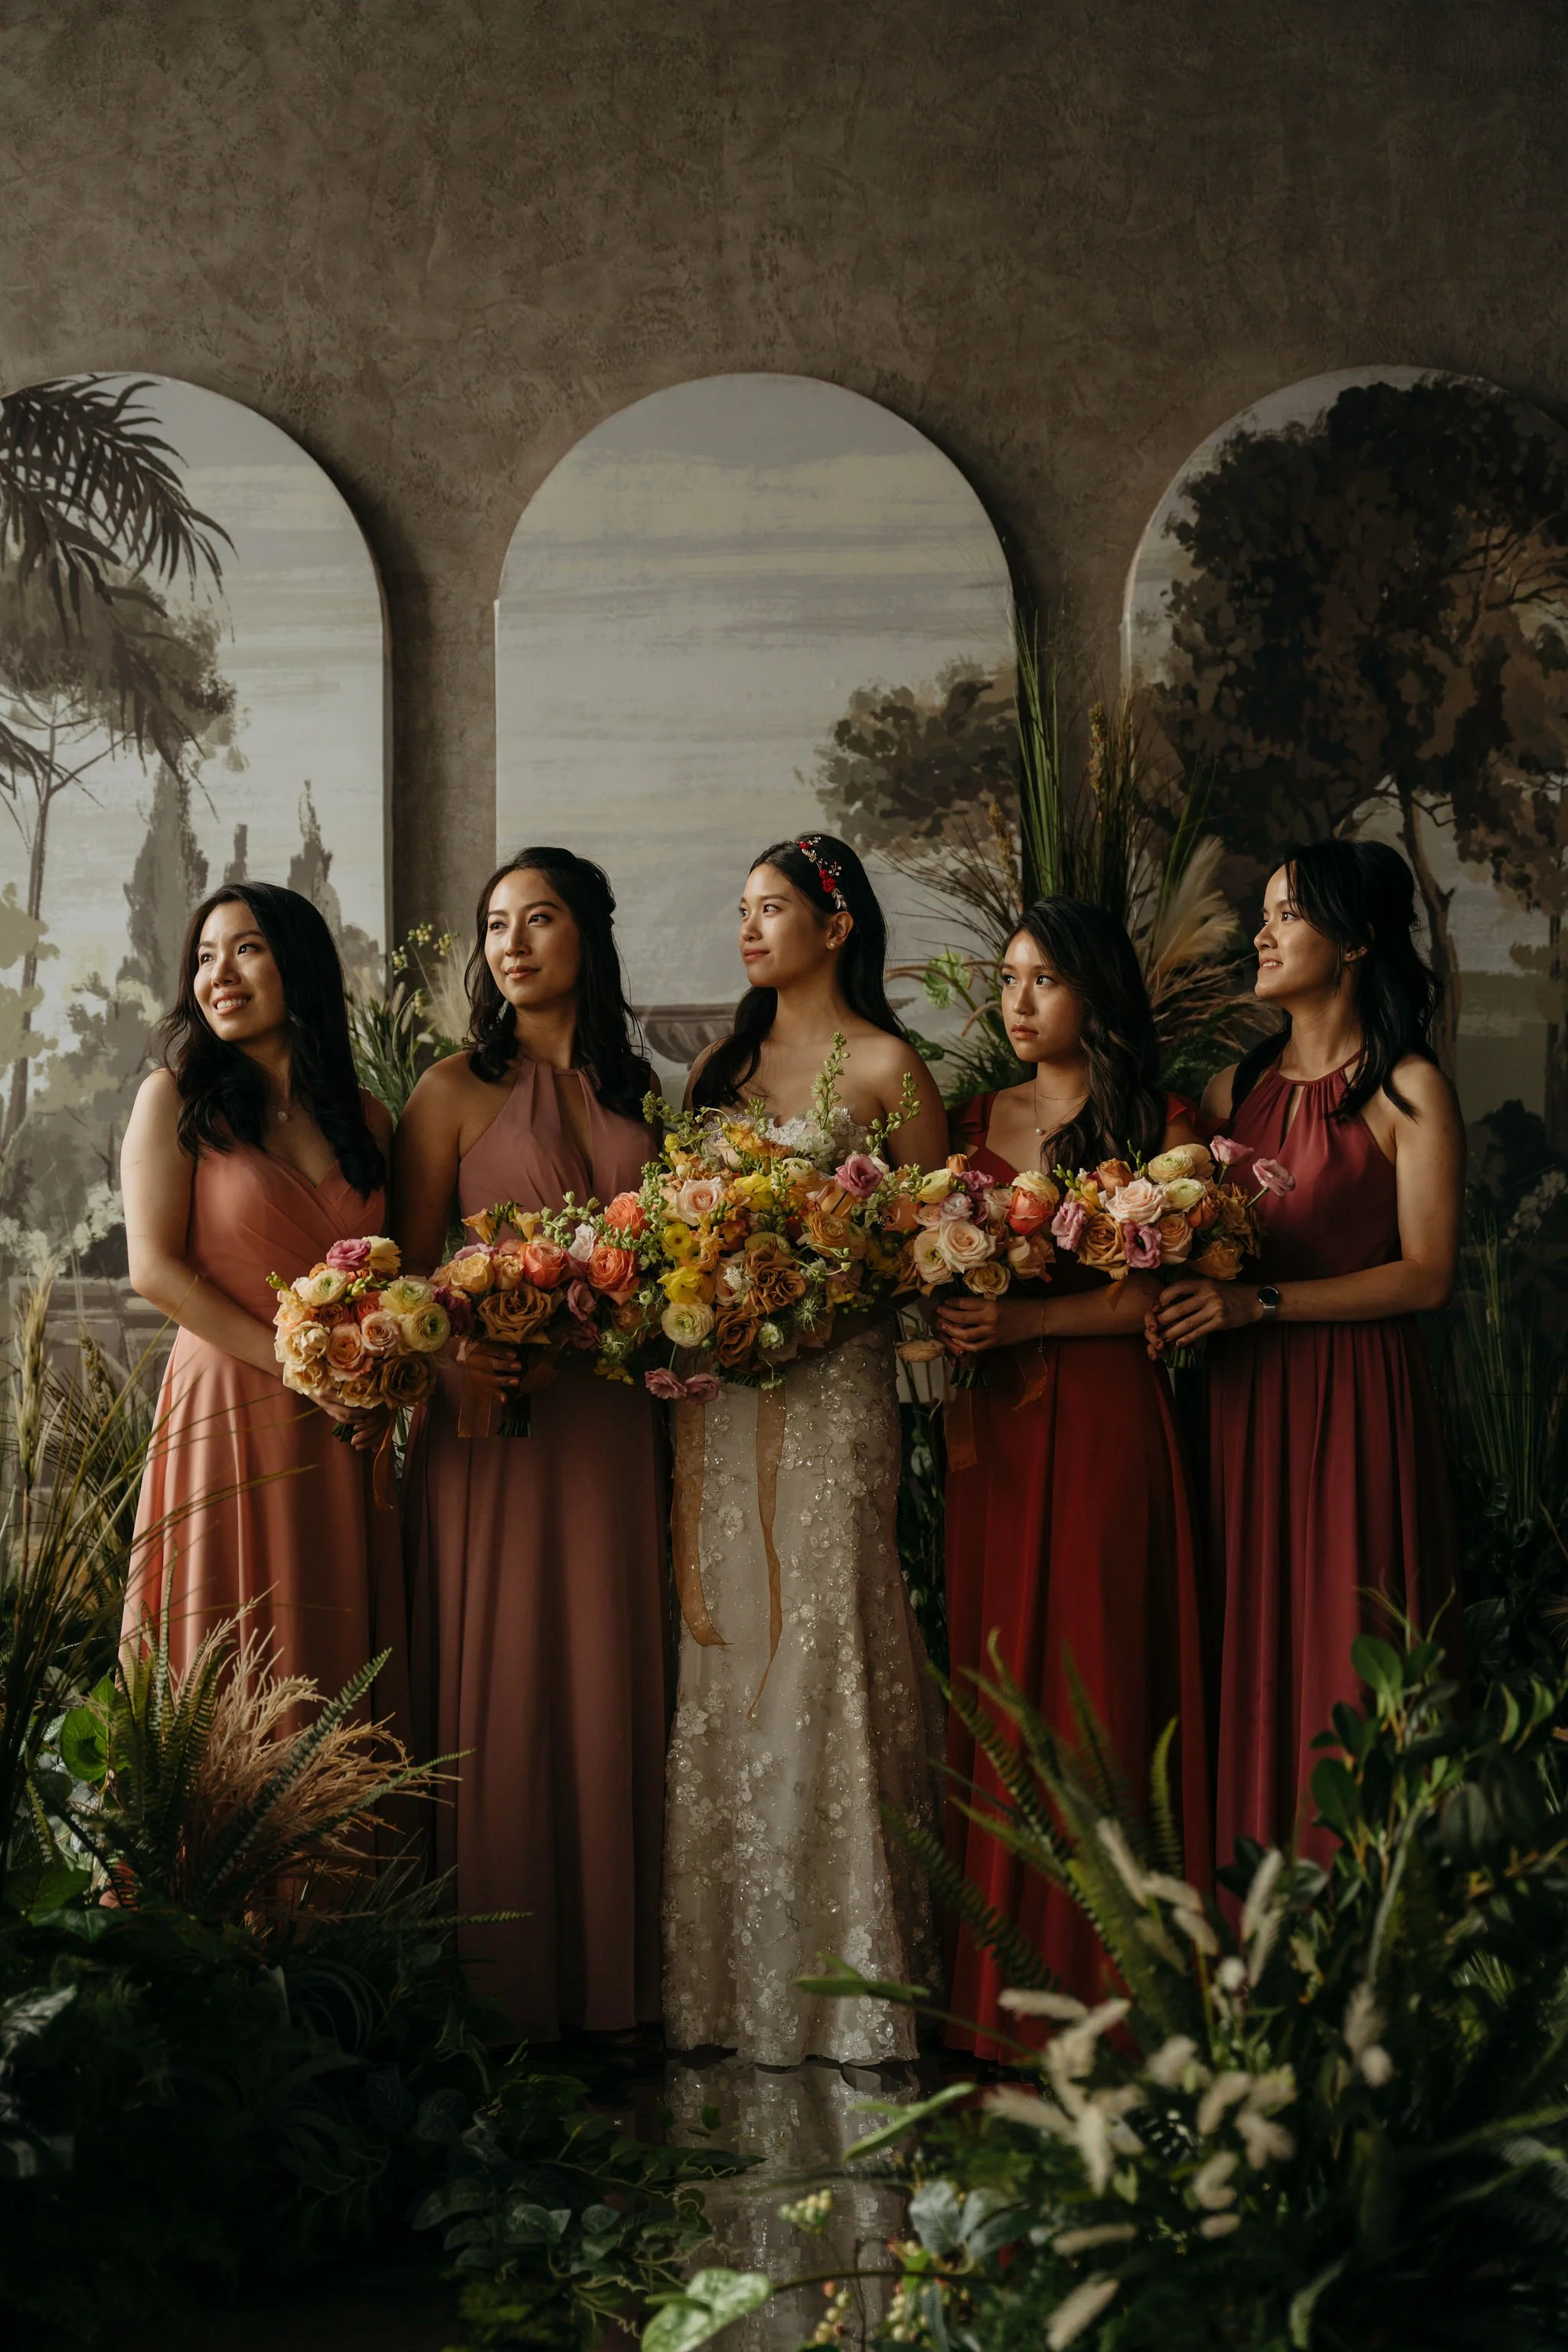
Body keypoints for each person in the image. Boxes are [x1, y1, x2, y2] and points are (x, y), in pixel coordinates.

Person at [662, 833, 949, 2067]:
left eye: (770, 908)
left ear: (835, 926)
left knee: (831, 1628)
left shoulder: (890, 1069)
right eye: (740, 910)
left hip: (836, 1398)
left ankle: (855, 1977)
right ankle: (730, 1988)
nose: (748, 929)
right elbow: (673, 1231)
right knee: (726, 1647)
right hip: (721, 1404)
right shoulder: (718, 1072)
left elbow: (934, 1263)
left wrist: (824, 1301)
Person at [1148, 839, 1464, 1870]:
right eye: (1266, 913)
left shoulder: (1407, 1087)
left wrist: (1261, 1304)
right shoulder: (1232, 1085)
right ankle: (1250, 1922)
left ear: (1358, 941)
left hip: (1353, 1400)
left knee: (1342, 1636)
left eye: (1288, 915)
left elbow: (1427, 1276)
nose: (1262, 933)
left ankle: (1360, 1929)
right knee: (1254, 1646)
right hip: (1245, 1402)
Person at [395, 847, 665, 2045]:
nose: (511, 943)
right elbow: (400, 1278)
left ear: (587, 937)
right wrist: (461, 1357)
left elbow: (670, 1272)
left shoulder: (645, 1093)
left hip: (611, 1422)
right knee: (499, 1677)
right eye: (495, 923)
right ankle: (500, 1997)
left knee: (610, 1668)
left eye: (538, 919)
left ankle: (616, 1990)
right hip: (491, 1424)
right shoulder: (449, 1089)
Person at [937, 898, 1210, 2053]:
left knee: (1102, 1661)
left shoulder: (1161, 1120)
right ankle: (1000, 1990)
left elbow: (1158, 1297)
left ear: (1095, 992)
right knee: (998, 1671)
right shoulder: (963, 1119)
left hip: (1104, 1420)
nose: (1020, 1001)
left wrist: (1020, 1330)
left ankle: (1119, 1989)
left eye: (1045, 978)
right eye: (1008, 979)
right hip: (990, 1433)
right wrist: (950, 1315)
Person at [122, 884, 408, 1724]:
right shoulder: (172, 1098)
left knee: (329, 1654)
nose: (221, 976)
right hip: (226, 1406)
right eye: (206, 957)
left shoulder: (367, 1119)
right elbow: (155, 1271)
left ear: (299, 964)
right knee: (228, 1646)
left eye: (245, 949)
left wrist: (382, 1385)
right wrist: (299, 1366)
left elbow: (387, 1279)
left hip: (339, 1422)